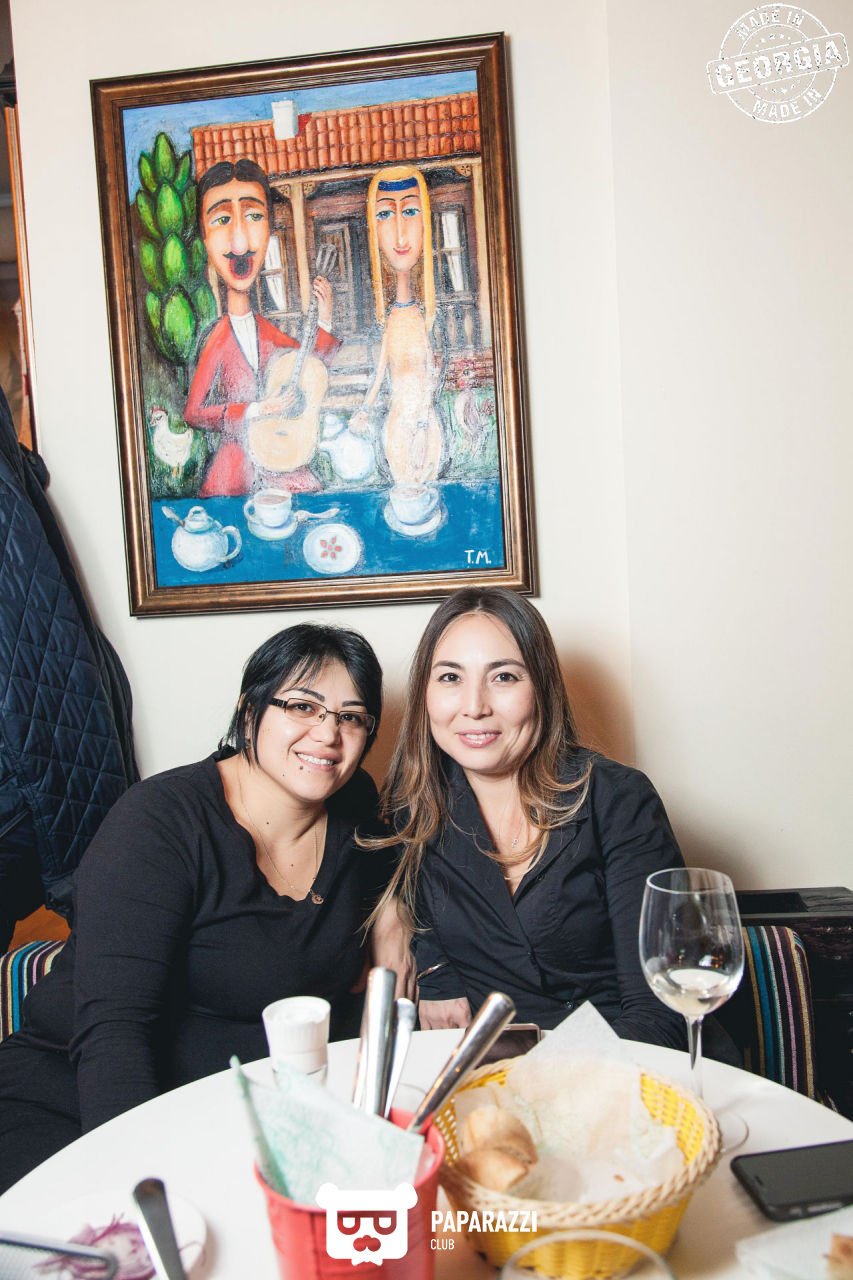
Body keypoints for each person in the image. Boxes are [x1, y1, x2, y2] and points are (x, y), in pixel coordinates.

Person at [0, 623, 404, 1194]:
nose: (327, 734)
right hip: (72, 1110)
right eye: (301, 706)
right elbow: (113, 1034)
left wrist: (393, 913)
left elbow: (399, 858)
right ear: (249, 713)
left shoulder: (355, 812)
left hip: (228, 1124)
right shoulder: (160, 824)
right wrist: (146, 1192)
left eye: (351, 717)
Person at [373, 587, 731, 1052]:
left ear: (542, 688)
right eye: (450, 677)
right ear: (424, 692)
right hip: (493, 1066)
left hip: (627, 1059)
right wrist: (430, 964)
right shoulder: (412, 807)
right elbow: (397, 889)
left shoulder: (618, 799)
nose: (474, 706)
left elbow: (659, 1011)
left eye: (504, 676)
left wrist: (549, 1082)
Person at [184, 158, 340, 496]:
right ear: (204, 239)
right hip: (235, 469)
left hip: (282, 459)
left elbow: (310, 368)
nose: (239, 243)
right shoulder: (218, 339)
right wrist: (257, 409)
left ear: (269, 229)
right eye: (222, 220)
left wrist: (324, 319)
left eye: (254, 216)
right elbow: (194, 413)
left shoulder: (266, 331)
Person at [350, 164, 444, 488]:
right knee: (404, 484)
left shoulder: (422, 318)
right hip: (399, 420)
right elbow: (380, 372)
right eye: (385, 215)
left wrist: (423, 417)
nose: (401, 235)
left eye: (411, 211)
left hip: (424, 418)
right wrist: (365, 409)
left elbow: (428, 369)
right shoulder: (392, 321)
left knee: (425, 481)